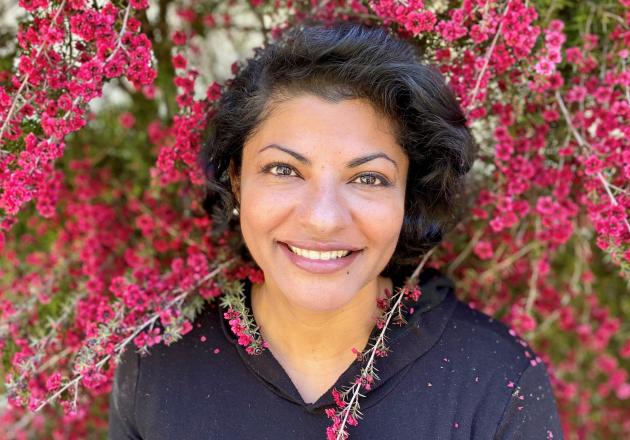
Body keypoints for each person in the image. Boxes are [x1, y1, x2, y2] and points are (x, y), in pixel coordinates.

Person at [109, 21, 563, 439]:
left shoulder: (498, 386)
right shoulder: (157, 365)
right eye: (284, 169)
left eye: (368, 178)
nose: (323, 219)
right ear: (236, 180)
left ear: (408, 196)